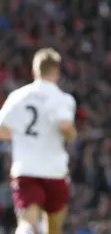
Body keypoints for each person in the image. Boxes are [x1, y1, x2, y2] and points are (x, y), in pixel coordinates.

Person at [0, 48, 77, 234]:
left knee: (27, 223)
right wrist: (71, 134)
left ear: (35, 71)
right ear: (56, 71)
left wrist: (21, 136)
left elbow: (2, 129)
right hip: (54, 171)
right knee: (54, 228)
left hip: (25, 169)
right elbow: (65, 125)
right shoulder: (62, 99)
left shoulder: (18, 96)